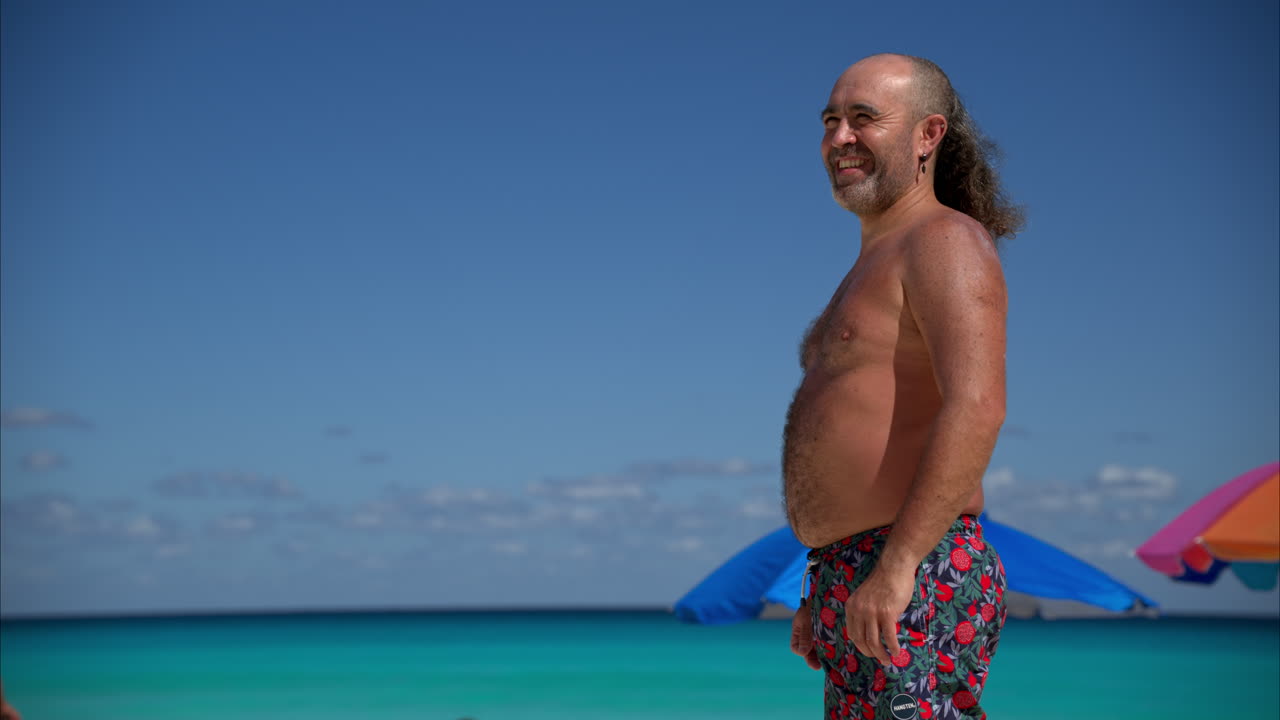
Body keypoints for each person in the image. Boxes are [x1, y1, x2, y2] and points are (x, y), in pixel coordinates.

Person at [784, 53, 1024, 720]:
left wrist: (897, 567)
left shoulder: (943, 241)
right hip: (855, 572)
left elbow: (977, 406)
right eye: (831, 121)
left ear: (928, 136)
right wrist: (826, 582)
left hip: (917, 565)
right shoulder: (872, 263)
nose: (840, 138)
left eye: (864, 119)